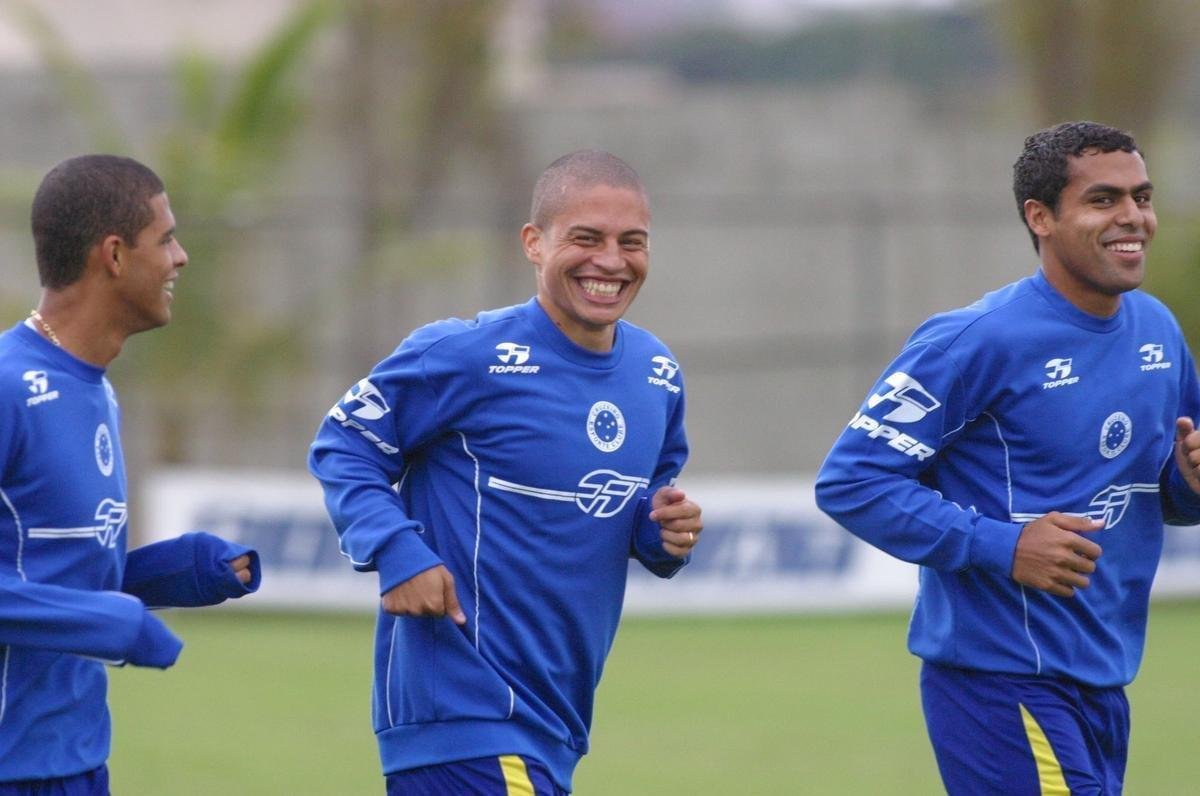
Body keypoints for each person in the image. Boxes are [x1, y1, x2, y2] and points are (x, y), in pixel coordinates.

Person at [815, 120, 1200, 794]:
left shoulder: (1159, 332)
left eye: (1141, 196)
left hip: (1105, 679)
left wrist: (1191, 484)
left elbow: (1167, 490)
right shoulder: (975, 341)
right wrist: (1005, 545)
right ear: (1040, 216)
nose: (1132, 217)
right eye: (1104, 200)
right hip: (1000, 681)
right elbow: (853, 481)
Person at [309, 149, 703, 795]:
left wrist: (664, 532)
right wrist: (396, 549)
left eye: (632, 242)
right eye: (586, 238)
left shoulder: (656, 374)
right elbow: (343, 443)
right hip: (469, 712)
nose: (611, 260)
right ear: (533, 243)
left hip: (553, 720)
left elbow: (647, 503)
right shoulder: (466, 355)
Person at [0, 154, 262, 794]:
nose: (181, 258)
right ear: (113, 256)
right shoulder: (8, 385)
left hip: (78, 759)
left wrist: (185, 568)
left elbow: (47, 574)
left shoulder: (94, 388)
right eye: (166, 238)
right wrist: (110, 623)